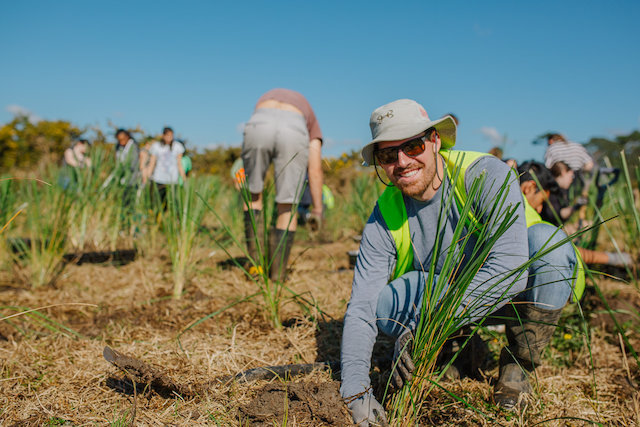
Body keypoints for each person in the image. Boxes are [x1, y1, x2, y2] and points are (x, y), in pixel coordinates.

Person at [340, 99, 578, 425]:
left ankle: (517, 366)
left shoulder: (482, 174)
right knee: (383, 302)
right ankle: (458, 349)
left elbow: (510, 267)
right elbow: (362, 306)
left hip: (517, 295)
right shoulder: (385, 214)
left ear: (435, 140)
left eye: (412, 145)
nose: (402, 161)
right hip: (448, 303)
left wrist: (432, 323)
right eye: (387, 154)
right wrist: (355, 391)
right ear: (380, 162)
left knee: (550, 245)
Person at [241, 88, 323, 280]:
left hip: (259, 121)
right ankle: (278, 273)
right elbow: (315, 168)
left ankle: (256, 268)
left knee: (253, 195)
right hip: (293, 127)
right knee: (288, 204)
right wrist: (318, 209)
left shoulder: (267, 97)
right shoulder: (308, 114)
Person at [144, 127, 187, 206]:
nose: (169, 138)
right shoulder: (156, 146)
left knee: (173, 202)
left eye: (171, 136)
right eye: (167, 136)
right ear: (163, 136)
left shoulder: (177, 146)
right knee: (157, 201)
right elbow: (152, 163)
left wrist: (184, 178)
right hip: (159, 178)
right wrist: (148, 176)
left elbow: (179, 164)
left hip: (172, 179)